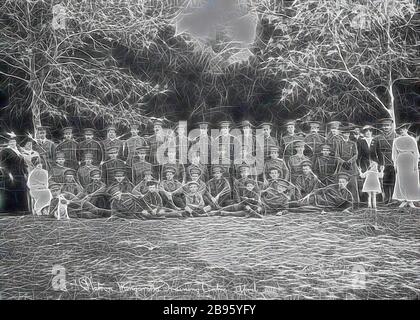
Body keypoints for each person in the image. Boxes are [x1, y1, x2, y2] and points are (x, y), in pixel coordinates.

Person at [392, 123, 420, 208]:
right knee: (401, 179)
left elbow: (416, 152)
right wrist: (395, 164)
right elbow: (394, 154)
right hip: (401, 160)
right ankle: (404, 199)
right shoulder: (396, 140)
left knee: (411, 178)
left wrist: (416, 164)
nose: (402, 131)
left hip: (410, 159)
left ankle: (410, 200)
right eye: (400, 130)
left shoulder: (411, 139)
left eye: (403, 129)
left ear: (406, 130)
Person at [0, 136, 29, 213]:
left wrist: (25, 172)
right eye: (11, 142)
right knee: (12, 190)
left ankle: (22, 209)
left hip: (20, 174)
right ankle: (12, 210)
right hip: (11, 174)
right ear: (8, 143)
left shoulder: (18, 151)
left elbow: (23, 163)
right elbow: (3, 164)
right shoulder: (5, 151)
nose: (13, 143)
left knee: (21, 190)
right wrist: (8, 174)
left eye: (14, 141)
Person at [336, 127, 359, 203]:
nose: (346, 135)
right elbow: (337, 156)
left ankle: (355, 202)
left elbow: (356, 155)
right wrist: (343, 162)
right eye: (344, 133)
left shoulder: (353, 143)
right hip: (342, 167)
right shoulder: (339, 143)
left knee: (353, 185)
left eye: (347, 133)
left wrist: (349, 162)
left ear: (349, 134)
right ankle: (342, 202)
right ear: (342, 134)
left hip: (352, 167)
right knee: (342, 185)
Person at [376, 118, 397, 204]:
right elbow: (374, 152)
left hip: (393, 161)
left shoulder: (396, 136)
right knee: (385, 181)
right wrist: (379, 163)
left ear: (391, 126)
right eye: (384, 126)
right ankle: (386, 199)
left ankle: (393, 198)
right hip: (383, 162)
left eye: (387, 126)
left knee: (393, 181)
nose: (386, 127)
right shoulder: (378, 138)